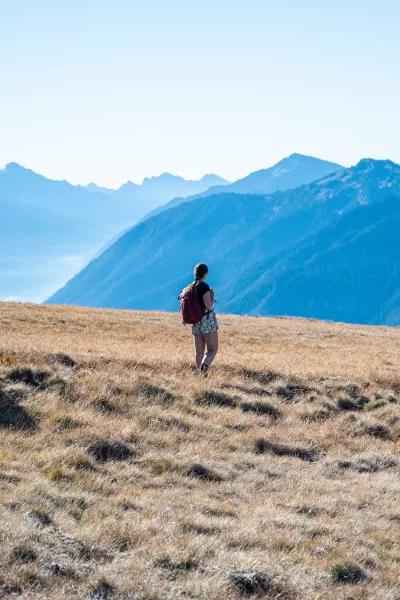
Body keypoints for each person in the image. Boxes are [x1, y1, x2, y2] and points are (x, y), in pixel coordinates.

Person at [191, 263, 219, 373]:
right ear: (205, 273)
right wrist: (213, 296)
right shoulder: (204, 287)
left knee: (199, 352)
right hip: (206, 320)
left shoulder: (191, 287)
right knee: (212, 349)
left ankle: (200, 376)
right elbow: (208, 305)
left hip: (195, 321)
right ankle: (203, 370)